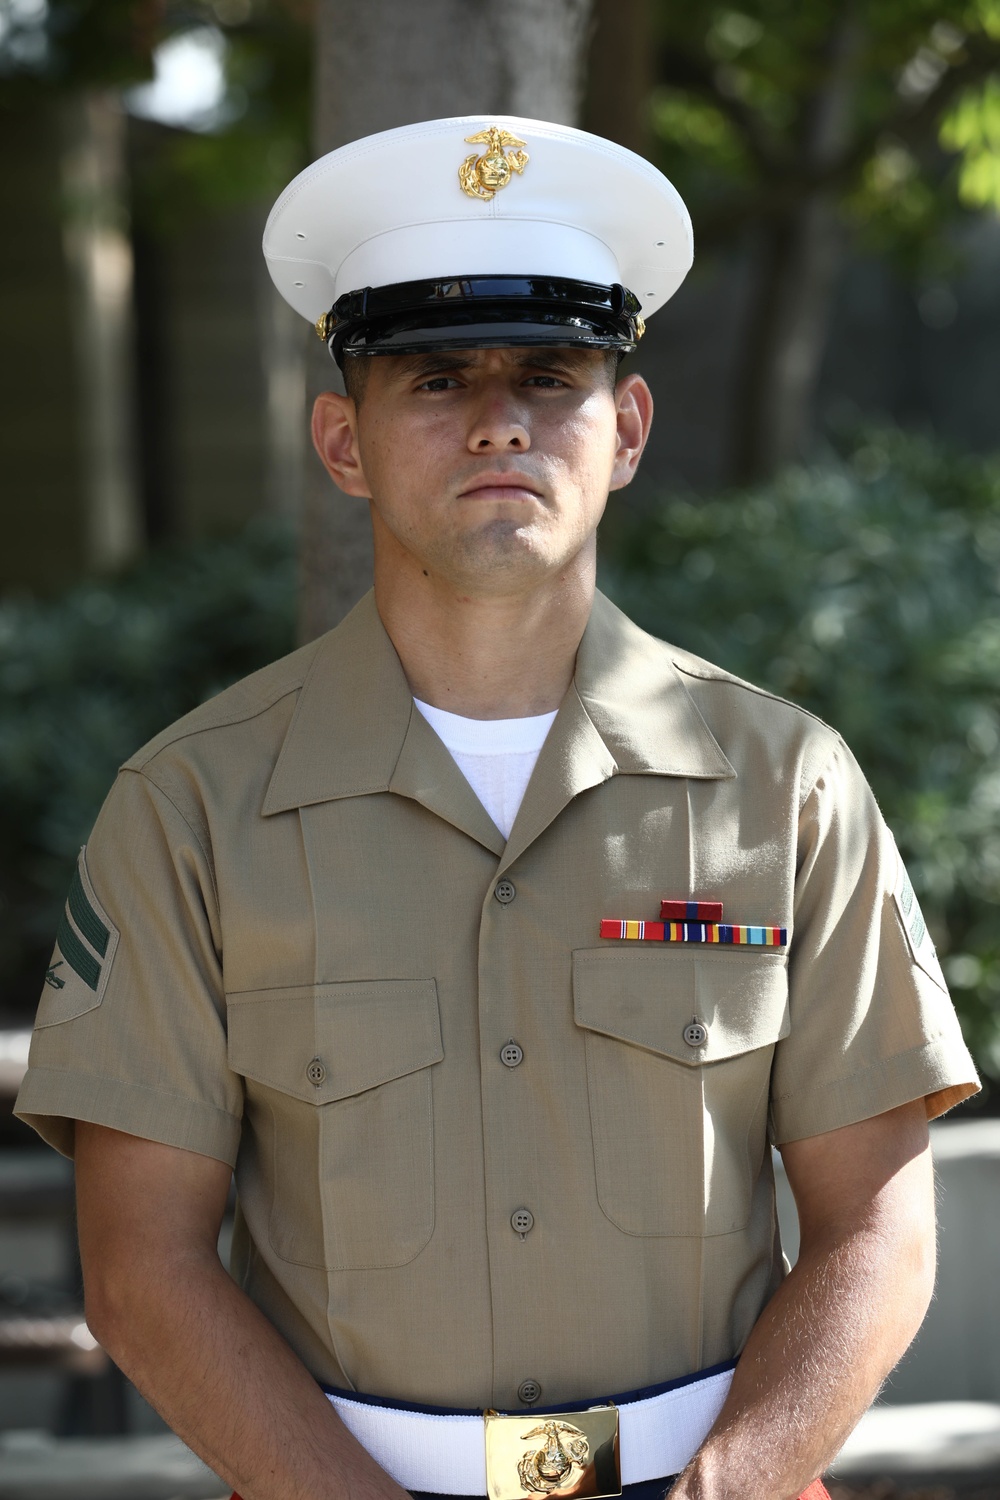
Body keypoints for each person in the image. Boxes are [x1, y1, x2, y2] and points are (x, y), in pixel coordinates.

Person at [16, 115, 979, 1500]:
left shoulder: (789, 788)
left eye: (552, 375)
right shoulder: (190, 809)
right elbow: (141, 1264)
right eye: (433, 379)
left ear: (628, 428)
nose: (498, 421)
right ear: (342, 443)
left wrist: (744, 1477)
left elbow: (880, 1225)